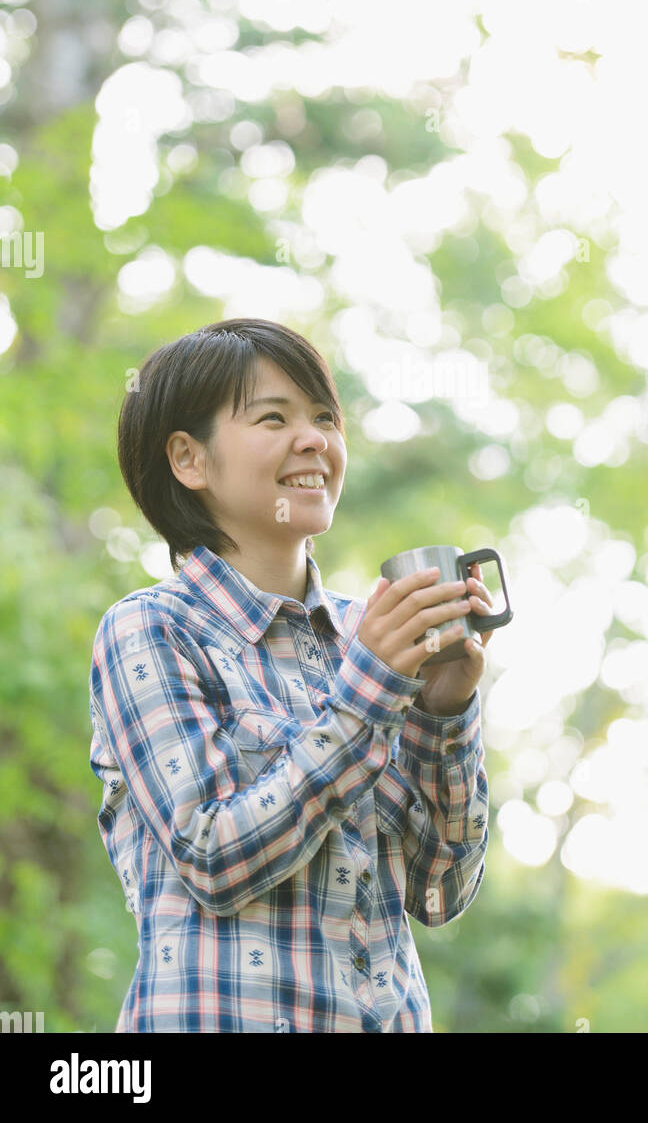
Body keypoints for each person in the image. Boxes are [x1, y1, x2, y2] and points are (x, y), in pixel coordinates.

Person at [88, 317, 493, 1032]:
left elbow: (439, 893)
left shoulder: (365, 641)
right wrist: (371, 690)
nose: (316, 442)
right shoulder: (150, 629)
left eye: (324, 419)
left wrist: (443, 713)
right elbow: (214, 856)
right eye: (273, 418)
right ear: (189, 458)